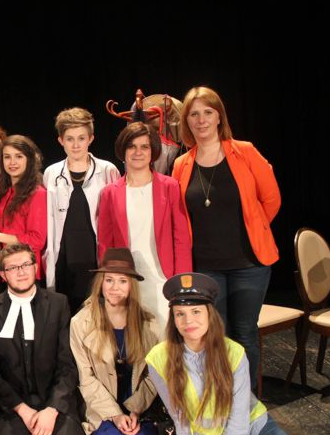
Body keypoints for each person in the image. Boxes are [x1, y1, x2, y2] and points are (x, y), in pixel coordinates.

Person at [146, 272, 330, 435]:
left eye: (196, 311)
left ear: (210, 314)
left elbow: (238, 417)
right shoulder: (158, 359)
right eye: (180, 314)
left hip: (252, 424)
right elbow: (179, 415)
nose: (188, 321)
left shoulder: (233, 352)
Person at [172, 86, 281, 390]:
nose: (201, 120)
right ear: (186, 121)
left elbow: (271, 199)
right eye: (194, 114)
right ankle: (221, 398)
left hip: (249, 264)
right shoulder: (182, 164)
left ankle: (247, 400)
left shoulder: (244, 151)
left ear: (219, 116)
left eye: (208, 112)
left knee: (245, 334)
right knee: (214, 337)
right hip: (206, 268)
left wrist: (254, 227)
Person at [0, 243, 88, 435]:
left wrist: (52, 409)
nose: (21, 272)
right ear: (3, 275)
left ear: (35, 267)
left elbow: (67, 365)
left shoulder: (58, 303)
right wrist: (22, 410)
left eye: (26, 264)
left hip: (53, 402)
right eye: (13, 268)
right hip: (14, 405)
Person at [69, 248, 161, 435]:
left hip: (138, 405)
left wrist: (135, 410)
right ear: (100, 283)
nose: (114, 287)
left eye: (122, 281)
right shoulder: (80, 322)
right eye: (109, 280)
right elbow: (85, 378)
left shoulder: (148, 321)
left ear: (132, 285)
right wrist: (116, 415)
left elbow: (154, 374)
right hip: (103, 407)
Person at [98, 122, 192, 328]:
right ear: (123, 151)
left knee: (165, 338)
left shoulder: (170, 187)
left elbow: (181, 238)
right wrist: (110, 282)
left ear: (153, 151)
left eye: (144, 147)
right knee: (132, 339)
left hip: (163, 279)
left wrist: (182, 281)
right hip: (126, 281)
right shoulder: (109, 193)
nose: (138, 152)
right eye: (131, 146)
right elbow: (105, 243)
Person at [44, 107, 120, 312]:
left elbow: (116, 216)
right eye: (70, 139)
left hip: (94, 255)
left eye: (81, 138)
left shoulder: (107, 170)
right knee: (65, 309)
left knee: (97, 308)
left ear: (91, 139)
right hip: (64, 255)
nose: (76, 145)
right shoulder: (52, 173)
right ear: (61, 140)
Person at [0, 135, 47, 282]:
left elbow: (37, 240)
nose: (12, 162)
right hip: (5, 269)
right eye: (7, 157)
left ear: (29, 160)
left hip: (26, 273)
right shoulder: (5, 191)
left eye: (19, 156)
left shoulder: (37, 193)